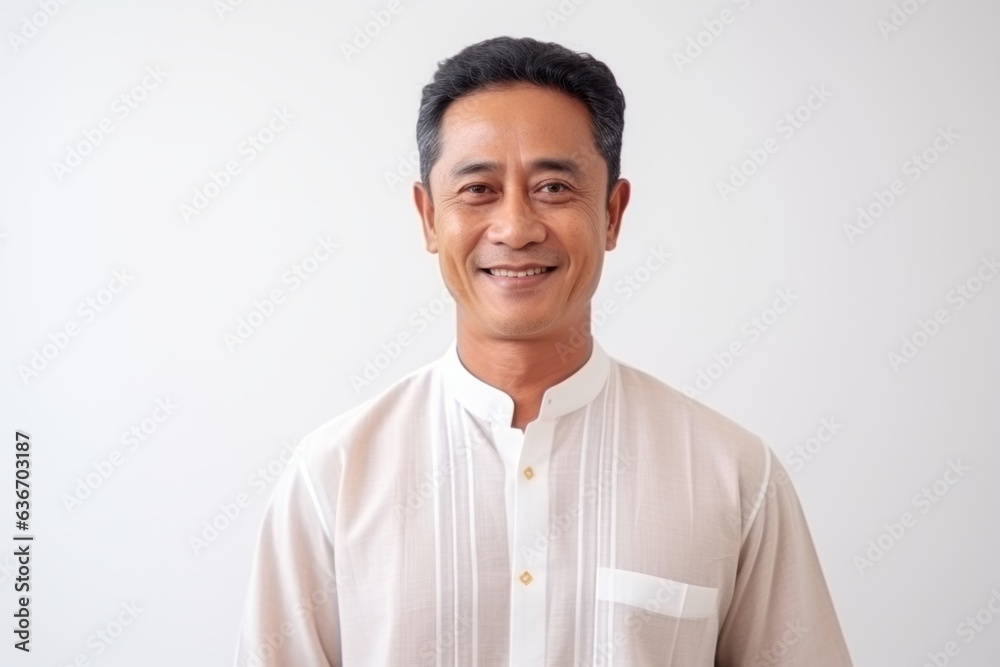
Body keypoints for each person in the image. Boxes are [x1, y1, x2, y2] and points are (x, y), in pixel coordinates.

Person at [234, 36, 853, 666]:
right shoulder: (332, 478)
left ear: (612, 213)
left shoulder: (733, 475)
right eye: (477, 189)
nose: (516, 228)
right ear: (427, 217)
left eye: (554, 187)